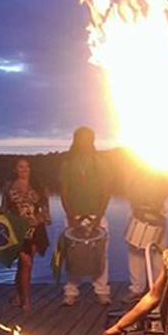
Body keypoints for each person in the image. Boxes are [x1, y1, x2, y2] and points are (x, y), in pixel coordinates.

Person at [59, 127, 113, 306]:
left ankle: (102, 290)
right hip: (73, 215)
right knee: (73, 253)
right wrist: (70, 216)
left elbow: (106, 191)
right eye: (81, 139)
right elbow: (64, 191)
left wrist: (98, 215)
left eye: (88, 138)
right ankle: (71, 291)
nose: (84, 142)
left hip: (97, 214)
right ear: (76, 140)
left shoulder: (102, 162)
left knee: (100, 253)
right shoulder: (67, 163)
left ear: (92, 140)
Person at [1, 158, 51, 310]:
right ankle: (26, 300)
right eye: (21, 167)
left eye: (27, 167)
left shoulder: (39, 187)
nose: (25, 170)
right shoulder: (8, 186)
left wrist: (38, 219)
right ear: (15, 169)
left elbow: (46, 210)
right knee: (26, 264)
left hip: (36, 230)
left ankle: (18, 295)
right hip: (18, 230)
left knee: (24, 265)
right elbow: (3, 210)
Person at [124, 169, 168, 303]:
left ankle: (157, 289)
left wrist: (158, 209)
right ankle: (137, 289)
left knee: (158, 254)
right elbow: (130, 187)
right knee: (135, 253)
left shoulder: (165, 171)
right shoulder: (136, 168)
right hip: (138, 211)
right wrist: (137, 208)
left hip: (158, 213)